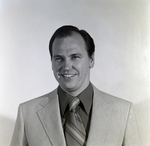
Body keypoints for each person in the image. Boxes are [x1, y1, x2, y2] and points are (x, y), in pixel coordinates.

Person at [10, 25, 142, 146]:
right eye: (58, 58)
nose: (66, 67)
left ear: (91, 60)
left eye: (75, 57)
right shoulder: (27, 113)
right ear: (51, 62)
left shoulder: (123, 112)